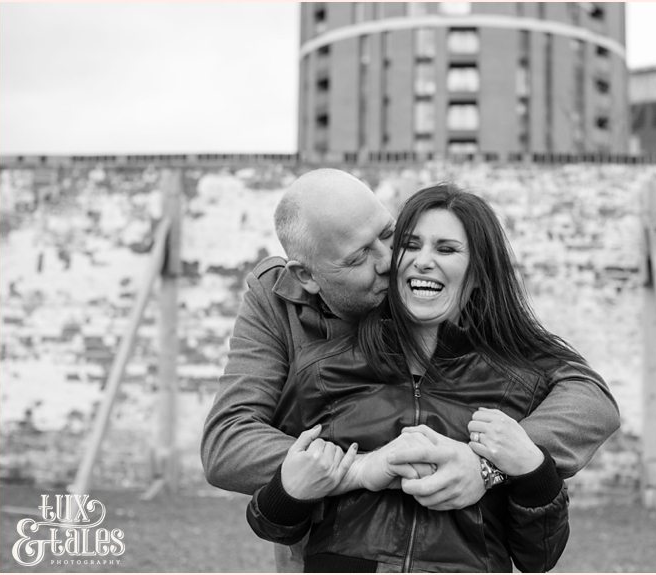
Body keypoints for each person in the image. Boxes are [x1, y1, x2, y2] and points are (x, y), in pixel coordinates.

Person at [201, 169, 620, 571]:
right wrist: (360, 468)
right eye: (359, 256)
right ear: (307, 275)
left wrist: (486, 465)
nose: (390, 261)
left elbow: (587, 399)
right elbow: (229, 445)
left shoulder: (460, 321)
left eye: (388, 234)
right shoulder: (283, 308)